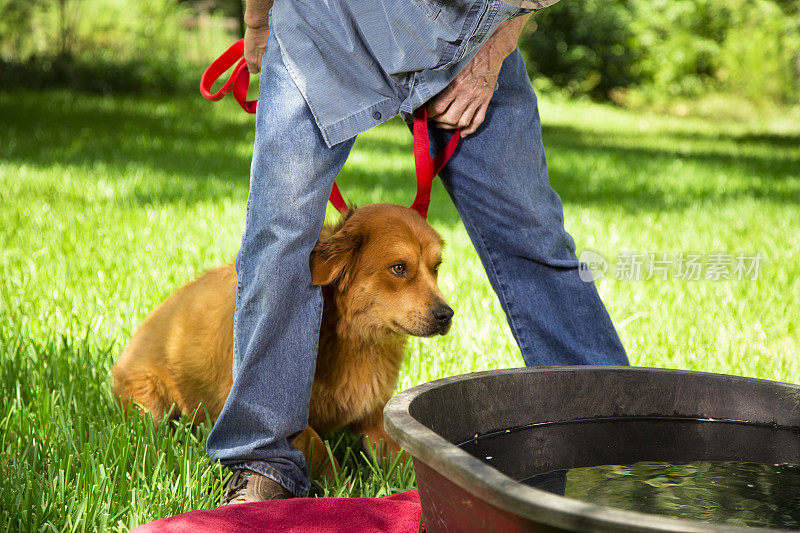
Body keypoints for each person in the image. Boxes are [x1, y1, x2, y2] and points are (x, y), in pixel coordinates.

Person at [206, 0, 630, 504]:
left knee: (532, 233)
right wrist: (260, 20)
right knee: (281, 234)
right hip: (328, 22)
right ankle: (264, 458)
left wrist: (493, 51)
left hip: (466, 35)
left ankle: (614, 440)